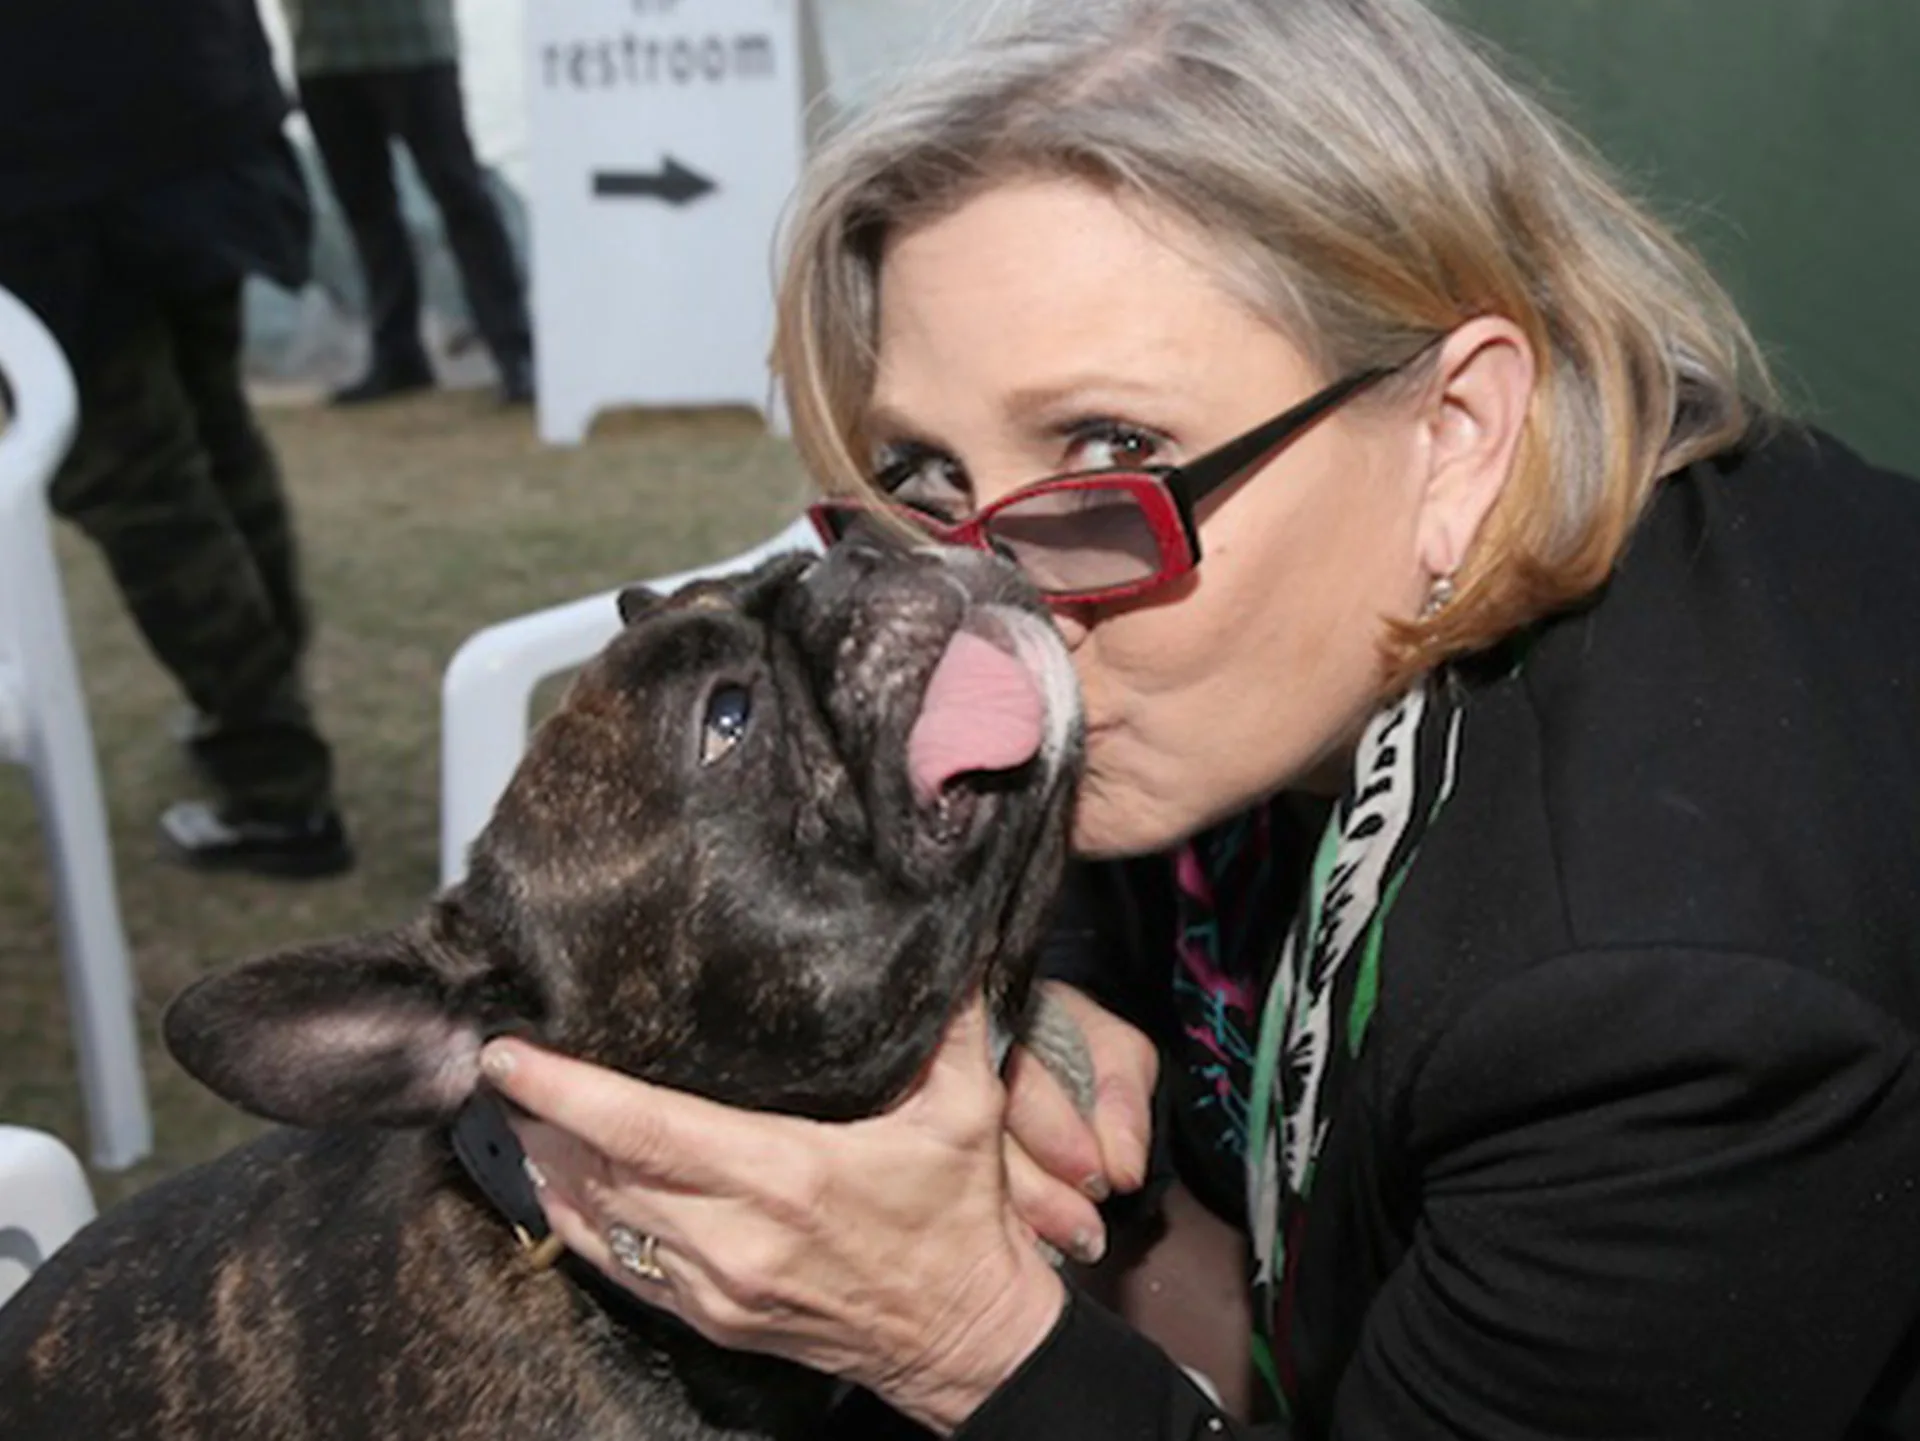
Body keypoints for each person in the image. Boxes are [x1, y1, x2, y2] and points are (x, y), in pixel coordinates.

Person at [474, 0, 1920, 1435]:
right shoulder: (1289, 617)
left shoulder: (1671, 998)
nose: (996, 610)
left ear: (1460, 430)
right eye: (922, 479)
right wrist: (1034, 1004)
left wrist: (964, 1337)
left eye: (1113, 450)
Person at [0, 0, 354, 879]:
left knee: (141, 482)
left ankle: (275, 779)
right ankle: (263, 716)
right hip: (198, 106)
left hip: (52, 157)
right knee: (212, 434)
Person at [285, 0, 535, 407]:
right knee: (365, 206)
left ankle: (514, 350)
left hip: (414, 40)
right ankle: (398, 355)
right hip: (321, 50)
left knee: (459, 194)